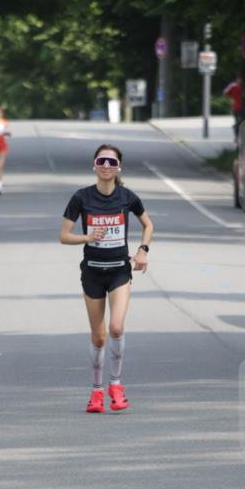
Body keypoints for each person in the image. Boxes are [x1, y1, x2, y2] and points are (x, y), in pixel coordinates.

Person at [60, 144, 153, 414]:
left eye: (112, 162)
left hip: (119, 272)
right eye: (102, 161)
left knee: (116, 327)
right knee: (99, 337)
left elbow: (148, 224)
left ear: (118, 167)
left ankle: (116, 384)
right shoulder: (81, 197)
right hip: (92, 272)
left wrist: (143, 250)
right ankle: (96, 390)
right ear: (94, 165)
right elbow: (64, 236)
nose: (106, 166)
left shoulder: (127, 197)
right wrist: (87, 237)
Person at [223, 77, 245, 144]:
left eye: (241, 80)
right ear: (237, 79)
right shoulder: (233, 85)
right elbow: (225, 92)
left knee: (242, 122)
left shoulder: (242, 87)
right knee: (237, 122)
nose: (240, 81)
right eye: (239, 79)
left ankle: (240, 137)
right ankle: (236, 137)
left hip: (242, 107)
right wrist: (230, 100)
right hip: (236, 107)